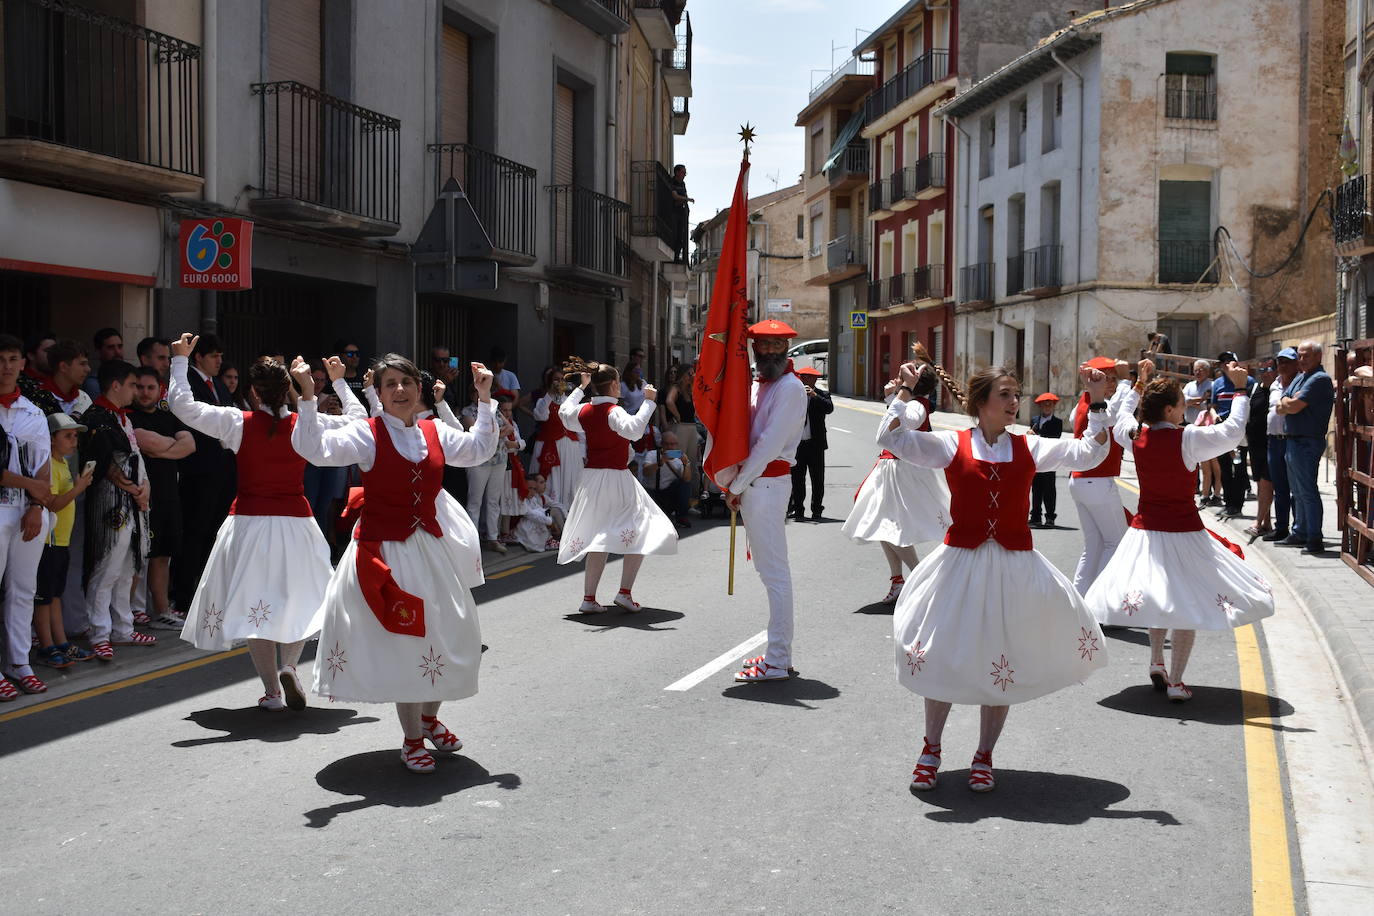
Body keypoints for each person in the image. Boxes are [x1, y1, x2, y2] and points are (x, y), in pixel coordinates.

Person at [881, 361, 1113, 792]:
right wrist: (907, 393)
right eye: (1005, 395)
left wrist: (1097, 402)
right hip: (960, 565)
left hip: (1013, 568)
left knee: (1001, 656)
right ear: (981, 403)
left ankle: (984, 754)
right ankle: (930, 748)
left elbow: (1091, 452)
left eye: (1016, 395)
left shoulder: (1030, 446)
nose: (1014, 403)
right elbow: (891, 438)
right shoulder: (951, 444)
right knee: (943, 652)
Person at [290, 356, 498, 772]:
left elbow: (479, 449)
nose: (400, 391)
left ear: (418, 389)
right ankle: (412, 739)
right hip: (384, 551)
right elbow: (314, 449)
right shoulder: (366, 434)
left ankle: (429, 717)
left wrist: (485, 396)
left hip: (430, 550)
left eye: (406, 382)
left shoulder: (435, 430)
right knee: (409, 642)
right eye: (390, 384)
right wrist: (308, 396)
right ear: (380, 393)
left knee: (451, 634)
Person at [1086, 361, 1274, 701]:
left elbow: (1121, 417)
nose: (1185, 410)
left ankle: (1157, 660)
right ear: (1171, 409)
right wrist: (1242, 389)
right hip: (1184, 532)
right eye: (1182, 406)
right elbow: (1233, 430)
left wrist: (1137, 383)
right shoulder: (1187, 439)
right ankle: (1175, 680)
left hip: (1146, 534)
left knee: (1161, 597)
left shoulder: (1135, 436)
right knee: (1184, 603)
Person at [168, 336, 338, 710]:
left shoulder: (236, 421)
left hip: (248, 523)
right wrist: (327, 385)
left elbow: (182, 405)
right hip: (297, 523)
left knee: (254, 608)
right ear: (286, 390)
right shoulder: (306, 423)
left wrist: (180, 361)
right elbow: (358, 423)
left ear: (254, 394)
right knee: (300, 599)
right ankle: (290, 666)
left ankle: (272, 693)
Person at [717, 320, 809, 682]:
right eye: (762, 345)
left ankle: (777, 659)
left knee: (774, 574)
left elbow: (769, 445)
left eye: (776, 344)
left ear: (787, 348)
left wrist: (737, 483)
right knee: (769, 572)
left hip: (766, 485)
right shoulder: (758, 385)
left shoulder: (790, 388)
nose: (769, 350)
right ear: (753, 348)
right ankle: (777, 656)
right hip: (757, 485)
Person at [557, 362, 676, 613]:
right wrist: (650, 402)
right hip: (616, 479)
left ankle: (589, 598)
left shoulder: (585, 411)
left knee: (599, 537)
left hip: (591, 480)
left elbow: (564, 412)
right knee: (644, 529)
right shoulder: (613, 411)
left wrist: (581, 388)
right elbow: (634, 431)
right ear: (613, 384)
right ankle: (624, 593)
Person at [842, 369, 951, 605]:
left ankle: (920, 576)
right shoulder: (913, 403)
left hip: (900, 471)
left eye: (902, 378)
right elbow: (897, 422)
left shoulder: (917, 406)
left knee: (889, 526)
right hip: (893, 468)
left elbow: (901, 424)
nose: (898, 380)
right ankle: (899, 579)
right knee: (882, 526)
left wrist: (898, 397)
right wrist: (894, 398)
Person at [80, 359, 156, 661]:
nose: (136, 391)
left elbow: (136, 455)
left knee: (128, 567)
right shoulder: (96, 417)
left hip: (134, 503)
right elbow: (101, 464)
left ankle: (123, 628)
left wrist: (145, 486)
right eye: (132, 385)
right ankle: (99, 632)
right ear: (115, 385)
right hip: (111, 504)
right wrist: (133, 489)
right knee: (107, 567)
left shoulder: (123, 419)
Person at [0, 335, 54, 699]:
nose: (6, 366)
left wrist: (37, 506)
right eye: (0, 358)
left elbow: (45, 468)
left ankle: (19, 661)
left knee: (23, 590)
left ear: (23, 363)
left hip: (28, 512)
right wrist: (30, 487)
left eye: (12, 358)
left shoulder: (33, 413)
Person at [129, 367, 195, 629]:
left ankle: (161, 611)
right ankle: (131, 613)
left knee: (162, 556)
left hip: (170, 497)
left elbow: (190, 445)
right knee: (137, 558)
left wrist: (163, 450)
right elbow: (149, 443)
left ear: (160, 390)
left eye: (150, 388)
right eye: (140, 387)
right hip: (141, 497)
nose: (145, 393)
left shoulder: (169, 416)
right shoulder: (129, 417)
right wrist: (171, 447)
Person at [175, 333, 236, 612]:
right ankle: (185, 595)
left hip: (221, 469)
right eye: (214, 356)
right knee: (195, 533)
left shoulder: (219, 386)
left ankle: (206, 589)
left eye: (221, 356)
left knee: (214, 532)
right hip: (198, 469)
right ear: (198, 356)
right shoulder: (188, 380)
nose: (219, 361)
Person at [32, 413, 96, 670]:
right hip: (48, 542)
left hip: (60, 542)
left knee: (55, 595)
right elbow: (53, 504)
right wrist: (79, 487)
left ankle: (60, 642)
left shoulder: (62, 464)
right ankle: (46, 646)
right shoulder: (48, 464)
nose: (74, 441)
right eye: (67, 436)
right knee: (44, 597)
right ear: (51, 439)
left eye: (75, 436)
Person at [1068, 357, 1132, 594]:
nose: (1113, 385)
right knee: (1116, 543)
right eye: (1109, 380)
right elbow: (1118, 409)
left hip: (1080, 480)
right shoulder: (1101, 407)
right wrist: (1126, 380)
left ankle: (1080, 601)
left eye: (1113, 380)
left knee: (1094, 546)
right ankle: (1099, 603)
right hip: (1098, 480)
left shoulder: (1082, 403)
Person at [1277, 340, 1335, 553]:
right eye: (1299, 356)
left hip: (1307, 441)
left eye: (1306, 356)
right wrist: (1289, 402)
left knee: (1307, 491)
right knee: (1297, 491)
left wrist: (1289, 402)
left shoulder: (1319, 379)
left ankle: (1313, 538)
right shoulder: (1301, 377)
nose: (1301, 360)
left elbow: (1291, 406)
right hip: (1293, 440)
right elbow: (1282, 402)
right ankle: (1300, 532)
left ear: (1318, 357)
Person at [1261, 349, 1300, 543]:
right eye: (1280, 362)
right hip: (1273, 441)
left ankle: (1298, 529)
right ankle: (1281, 528)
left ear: (1296, 364)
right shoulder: (1275, 384)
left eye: (1287, 362)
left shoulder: (1300, 382)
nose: (1282, 366)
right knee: (1279, 487)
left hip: (1290, 439)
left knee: (1295, 487)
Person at [532, 370, 584, 513]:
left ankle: (568, 516)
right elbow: (541, 416)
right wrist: (549, 394)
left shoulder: (570, 401)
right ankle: (550, 515)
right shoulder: (543, 401)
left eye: (562, 379)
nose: (559, 382)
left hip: (570, 449)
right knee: (551, 481)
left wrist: (583, 453)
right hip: (551, 446)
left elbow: (580, 429)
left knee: (570, 482)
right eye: (556, 379)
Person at [1211, 351, 1253, 520]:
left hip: (1239, 433)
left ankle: (1238, 504)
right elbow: (1213, 405)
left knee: (1240, 468)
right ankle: (1229, 504)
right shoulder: (1218, 383)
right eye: (1223, 362)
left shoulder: (1247, 381)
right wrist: (1214, 414)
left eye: (1229, 361)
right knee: (1225, 469)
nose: (1226, 365)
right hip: (1222, 429)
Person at [789, 365, 833, 522]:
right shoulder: (793, 395)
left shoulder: (822, 394)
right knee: (797, 479)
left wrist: (814, 396)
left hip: (815, 444)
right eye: (804, 377)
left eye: (811, 378)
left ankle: (817, 510)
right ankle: (797, 509)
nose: (807, 380)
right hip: (798, 444)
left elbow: (829, 408)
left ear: (815, 380)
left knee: (817, 480)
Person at [1243, 358, 1277, 539]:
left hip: (1271, 444)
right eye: (1262, 369)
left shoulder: (1278, 391)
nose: (1265, 372)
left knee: (1266, 483)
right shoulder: (1254, 389)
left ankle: (1258, 522)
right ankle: (1267, 522)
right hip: (1254, 445)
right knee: (1261, 484)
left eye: (1270, 368)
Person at [26, 339, 92, 418]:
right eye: (82, 364)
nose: (88, 369)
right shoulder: (36, 399)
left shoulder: (84, 398)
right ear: (63, 366)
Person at [643, 428, 694, 528]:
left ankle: (681, 517)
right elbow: (646, 472)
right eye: (667, 444)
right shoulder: (652, 454)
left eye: (673, 444)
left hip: (669, 493)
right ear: (661, 444)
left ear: (677, 445)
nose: (670, 447)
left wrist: (686, 464)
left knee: (684, 484)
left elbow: (687, 480)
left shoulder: (680, 458)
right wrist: (661, 462)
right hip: (653, 493)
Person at [1028, 392, 1063, 527]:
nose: (1047, 407)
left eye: (1050, 405)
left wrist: (1037, 435)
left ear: (1053, 406)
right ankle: (1036, 516)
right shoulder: (1034, 420)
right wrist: (1030, 434)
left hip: (1050, 458)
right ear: (1041, 406)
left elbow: (1054, 438)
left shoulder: (1057, 422)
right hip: (1036, 459)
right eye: (1044, 405)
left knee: (1049, 489)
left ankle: (1050, 517)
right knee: (1036, 488)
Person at [511, 473, 560, 553]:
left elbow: (543, 510)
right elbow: (530, 514)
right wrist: (548, 520)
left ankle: (548, 540)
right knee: (535, 521)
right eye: (529, 488)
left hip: (539, 518)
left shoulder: (533, 499)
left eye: (534, 489)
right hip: (520, 526)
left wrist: (548, 518)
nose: (532, 491)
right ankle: (542, 543)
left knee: (544, 514)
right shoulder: (521, 500)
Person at [664, 365, 699, 468]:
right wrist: (677, 415)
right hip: (680, 426)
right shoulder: (676, 388)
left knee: (691, 458)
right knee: (678, 455)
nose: (692, 376)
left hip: (692, 426)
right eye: (689, 374)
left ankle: (691, 481)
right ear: (682, 375)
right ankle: (676, 478)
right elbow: (669, 401)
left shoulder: (691, 390)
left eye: (693, 374)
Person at [82, 327, 124, 398]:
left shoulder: (132, 377)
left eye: (120, 346)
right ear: (98, 351)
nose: (117, 352)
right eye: (111, 348)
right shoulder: (94, 383)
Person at [669, 164, 693, 264]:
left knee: (680, 236)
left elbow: (683, 197)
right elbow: (675, 196)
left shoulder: (683, 184)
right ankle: (673, 256)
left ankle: (676, 256)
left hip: (681, 213)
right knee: (674, 235)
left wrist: (683, 199)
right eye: (683, 172)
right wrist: (686, 199)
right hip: (673, 212)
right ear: (677, 172)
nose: (684, 175)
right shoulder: (672, 182)